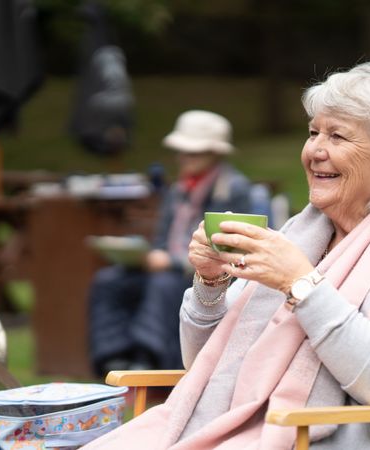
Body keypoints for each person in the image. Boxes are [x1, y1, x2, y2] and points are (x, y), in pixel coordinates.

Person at [82, 61, 370, 449]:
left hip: (321, 437)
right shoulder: (298, 236)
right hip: (239, 430)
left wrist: (302, 285)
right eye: (313, 133)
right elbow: (208, 365)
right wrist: (210, 282)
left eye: (337, 137)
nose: (315, 151)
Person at [87, 110, 253, 375]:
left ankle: (149, 358)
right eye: (182, 151)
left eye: (193, 152)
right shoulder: (178, 189)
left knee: (162, 284)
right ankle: (114, 356)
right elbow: (162, 239)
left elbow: (230, 247)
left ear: (215, 153)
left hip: (202, 274)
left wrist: (173, 262)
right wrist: (142, 255)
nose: (184, 158)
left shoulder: (233, 189)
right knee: (109, 280)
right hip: (165, 267)